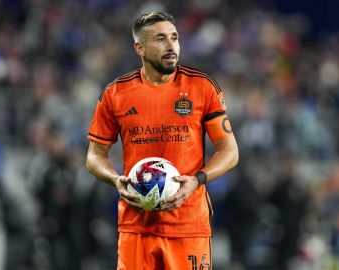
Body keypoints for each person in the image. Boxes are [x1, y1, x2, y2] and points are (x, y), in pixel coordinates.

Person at [86, 11, 238, 270]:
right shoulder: (116, 94)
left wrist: (197, 180)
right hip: (137, 227)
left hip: (188, 226)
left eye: (174, 38)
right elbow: (94, 156)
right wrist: (114, 180)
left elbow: (230, 152)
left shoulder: (202, 87)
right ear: (140, 48)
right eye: (160, 39)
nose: (171, 45)